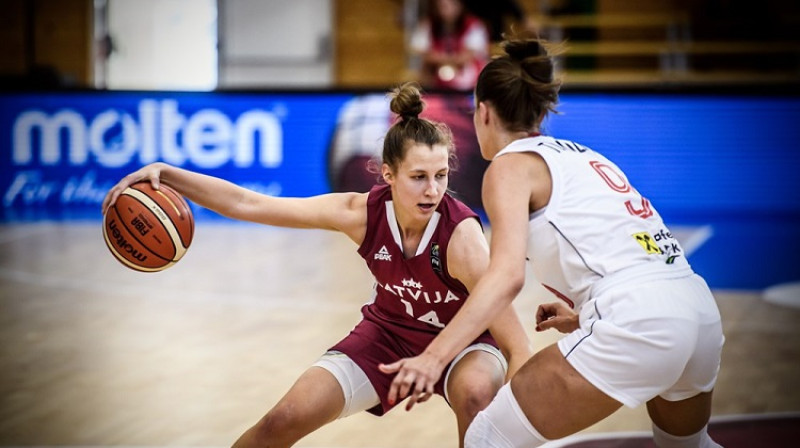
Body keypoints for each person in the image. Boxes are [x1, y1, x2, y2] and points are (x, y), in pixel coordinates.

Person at [101, 83, 533, 447]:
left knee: (477, 398)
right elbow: (248, 202)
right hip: (389, 333)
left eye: (441, 176)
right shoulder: (358, 212)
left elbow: (516, 345)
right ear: (388, 175)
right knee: (280, 422)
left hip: (466, 344)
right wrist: (167, 173)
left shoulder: (461, 237)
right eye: (418, 177)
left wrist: (515, 423)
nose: (433, 190)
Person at [380, 38, 725, 448]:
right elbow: (629, 257)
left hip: (640, 319)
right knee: (687, 446)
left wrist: (433, 358)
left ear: (484, 112)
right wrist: (586, 315)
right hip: (697, 312)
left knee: (485, 440)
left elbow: (506, 277)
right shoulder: (584, 156)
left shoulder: (508, 167)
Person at [409, 0, 490, 91]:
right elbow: (421, 52)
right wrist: (444, 60)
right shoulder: (428, 25)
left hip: (468, 81)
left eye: (450, 5)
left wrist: (443, 59)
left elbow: (467, 56)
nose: (445, 10)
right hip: (435, 79)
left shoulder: (474, 25)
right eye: (441, 6)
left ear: (460, 6)